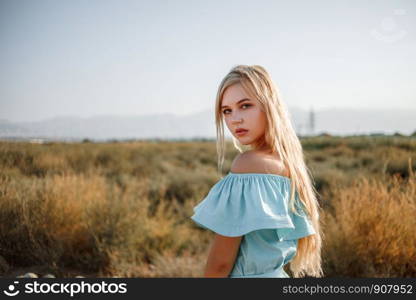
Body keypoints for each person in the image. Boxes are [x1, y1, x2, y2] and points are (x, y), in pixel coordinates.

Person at [190, 65, 323, 278]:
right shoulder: (289, 163)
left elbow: (220, 266)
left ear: (269, 106)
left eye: (245, 106)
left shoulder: (248, 164)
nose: (235, 119)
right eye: (227, 110)